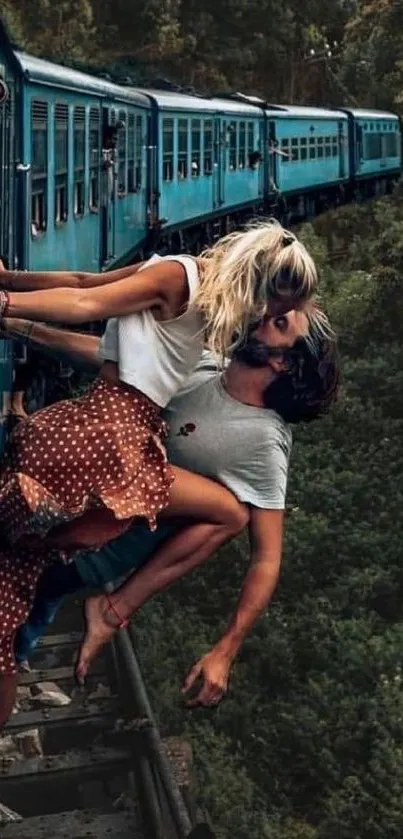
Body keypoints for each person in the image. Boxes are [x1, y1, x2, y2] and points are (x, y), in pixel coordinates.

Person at [0, 220, 322, 724]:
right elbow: (107, 333)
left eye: (278, 322)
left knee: (229, 512)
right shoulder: (210, 363)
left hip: (103, 527)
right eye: (274, 313)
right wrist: (15, 306)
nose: (263, 319)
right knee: (15, 620)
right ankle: (48, 513)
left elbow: (267, 557)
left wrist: (224, 649)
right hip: (100, 481)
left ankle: (81, 566)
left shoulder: (263, 441)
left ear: (286, 365)